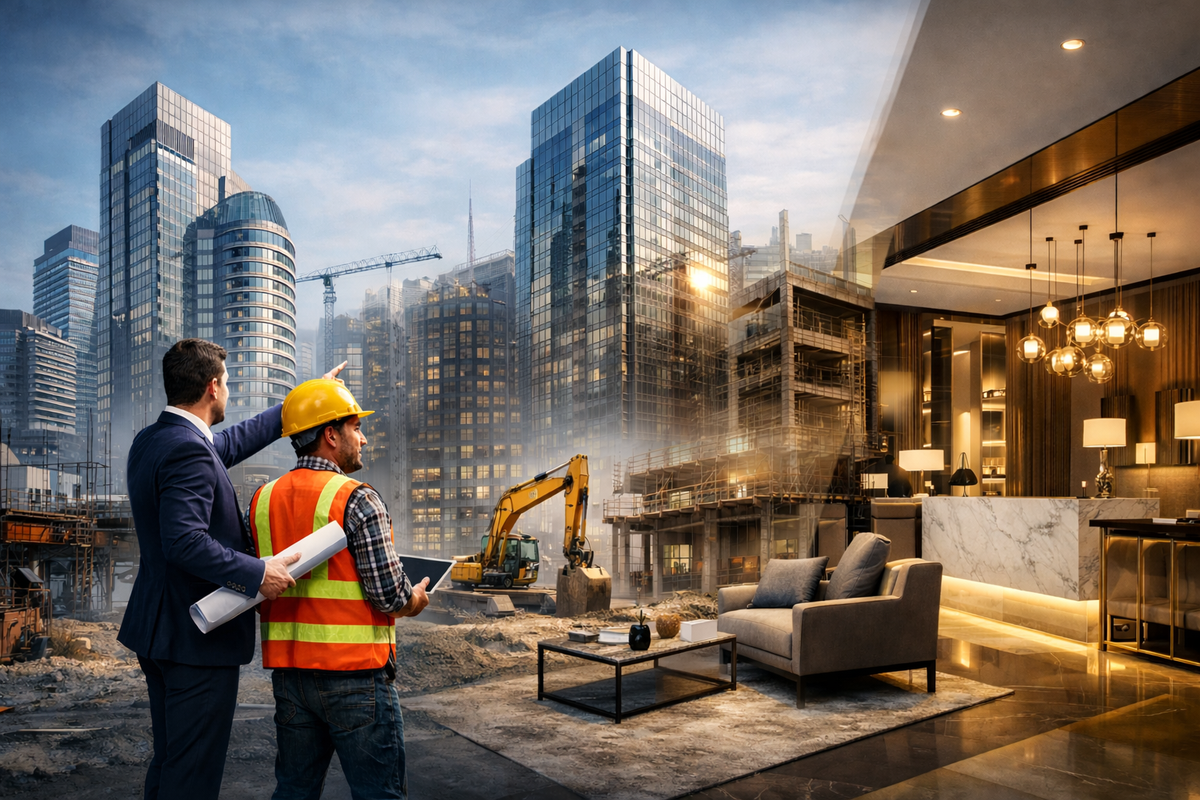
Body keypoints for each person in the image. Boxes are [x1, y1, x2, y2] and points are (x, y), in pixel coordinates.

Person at [119, 340, 336, 799]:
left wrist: (297, 404)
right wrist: (258, 573)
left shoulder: (155, 440)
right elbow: (185, 542)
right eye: (229, 384)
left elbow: (227, 445)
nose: (230, 392)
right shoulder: (189, 451)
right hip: (195, 639)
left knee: (172, 759)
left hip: (158, 630)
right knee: (191, 775)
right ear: (213, 387)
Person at [249, 378, 429, 800]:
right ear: (331, 434)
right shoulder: (358, 498)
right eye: (356, 428)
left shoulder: (260, 500)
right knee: (379, 794)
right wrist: (416, 599)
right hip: (356, 679)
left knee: (294, 791)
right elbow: (390, 596)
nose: (362, 439)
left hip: (291, 678)